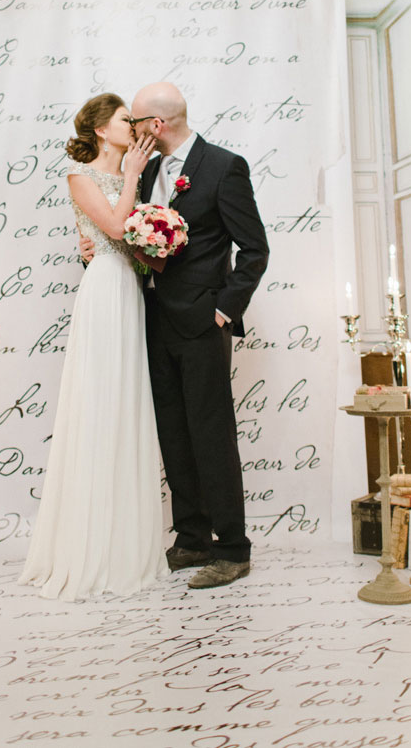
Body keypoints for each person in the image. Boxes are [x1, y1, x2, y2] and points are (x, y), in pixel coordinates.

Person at [19, 92, 167, 600]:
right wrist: (130, 177)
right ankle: (91, 548)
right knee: (101, 403)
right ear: (103, 129)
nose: (135, 126)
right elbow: (115, 228)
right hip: (104, 288)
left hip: (130, 287)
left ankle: (126, 543)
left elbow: (136, 240)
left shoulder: (136, 174)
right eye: (127, 119)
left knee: (127, 404)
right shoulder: (78, 176)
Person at [129, 81, 269, 589]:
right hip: (152, 317)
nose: (131, 130)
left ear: (156, 125)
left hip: (202, 323)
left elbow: (255, 249)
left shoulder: (224, 166)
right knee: (173, 431)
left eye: (136, 122)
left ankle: (233, 548)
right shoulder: (143, 169)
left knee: (210, 434)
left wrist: (223, 311)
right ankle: (191, 539)